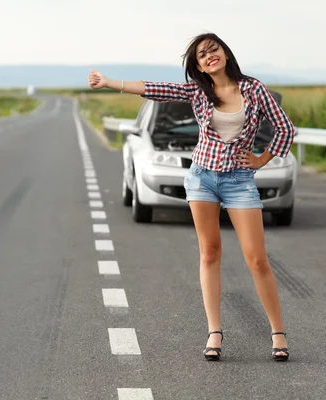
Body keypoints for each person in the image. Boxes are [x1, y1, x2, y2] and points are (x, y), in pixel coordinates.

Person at [87, 32, 294, 362]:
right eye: (201, 54)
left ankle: (278, 333)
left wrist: (260, 159)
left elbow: (286, 128)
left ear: (226, 53)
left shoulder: (254, 89)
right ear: (197, 65)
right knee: (209, 252)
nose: (209, 55)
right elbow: (154, 89)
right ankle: (214, 331)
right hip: (202, 179)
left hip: (240, 181)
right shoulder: (199, 91)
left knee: (257, 258)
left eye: (214, 49)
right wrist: (110, 82)